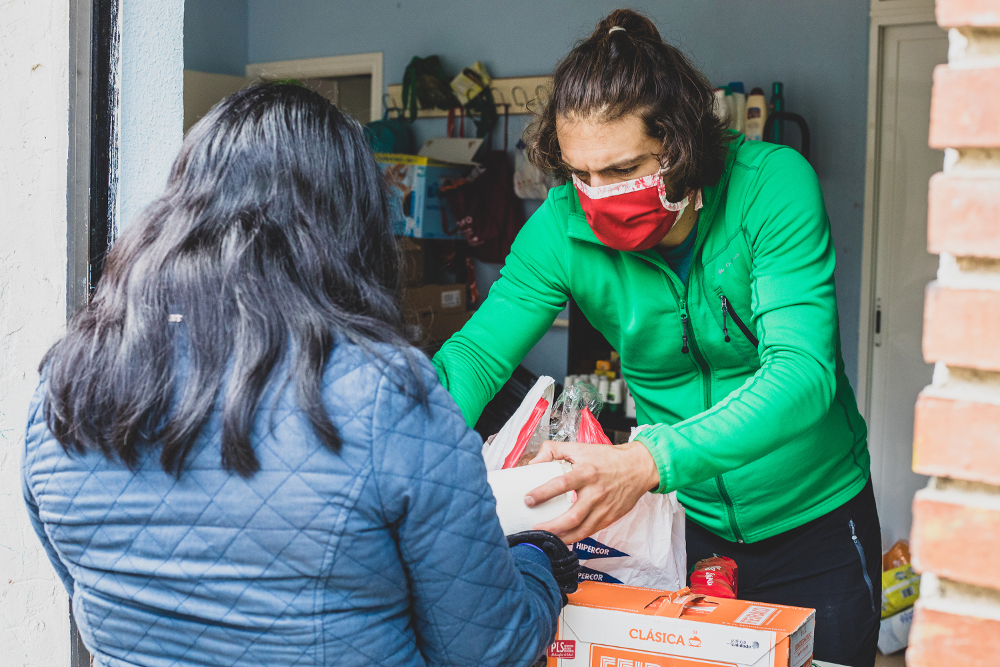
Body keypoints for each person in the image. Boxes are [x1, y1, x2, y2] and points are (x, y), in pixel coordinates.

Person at [23, 83, 575, 667]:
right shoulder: (388, 395)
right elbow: (489, 649)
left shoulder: (65, 390)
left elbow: (91, 593)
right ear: (352, 227)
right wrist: (540, 562)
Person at [432, 9, 881, 667]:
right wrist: (415, 442)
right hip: (692, 530)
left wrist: (647, 462)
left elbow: (801, 373)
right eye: (579, 174)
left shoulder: (771, 187)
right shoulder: (560, 226)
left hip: (816, 522)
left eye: (621, 169)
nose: (597, 195)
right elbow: (476, 352)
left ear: (679, 143)